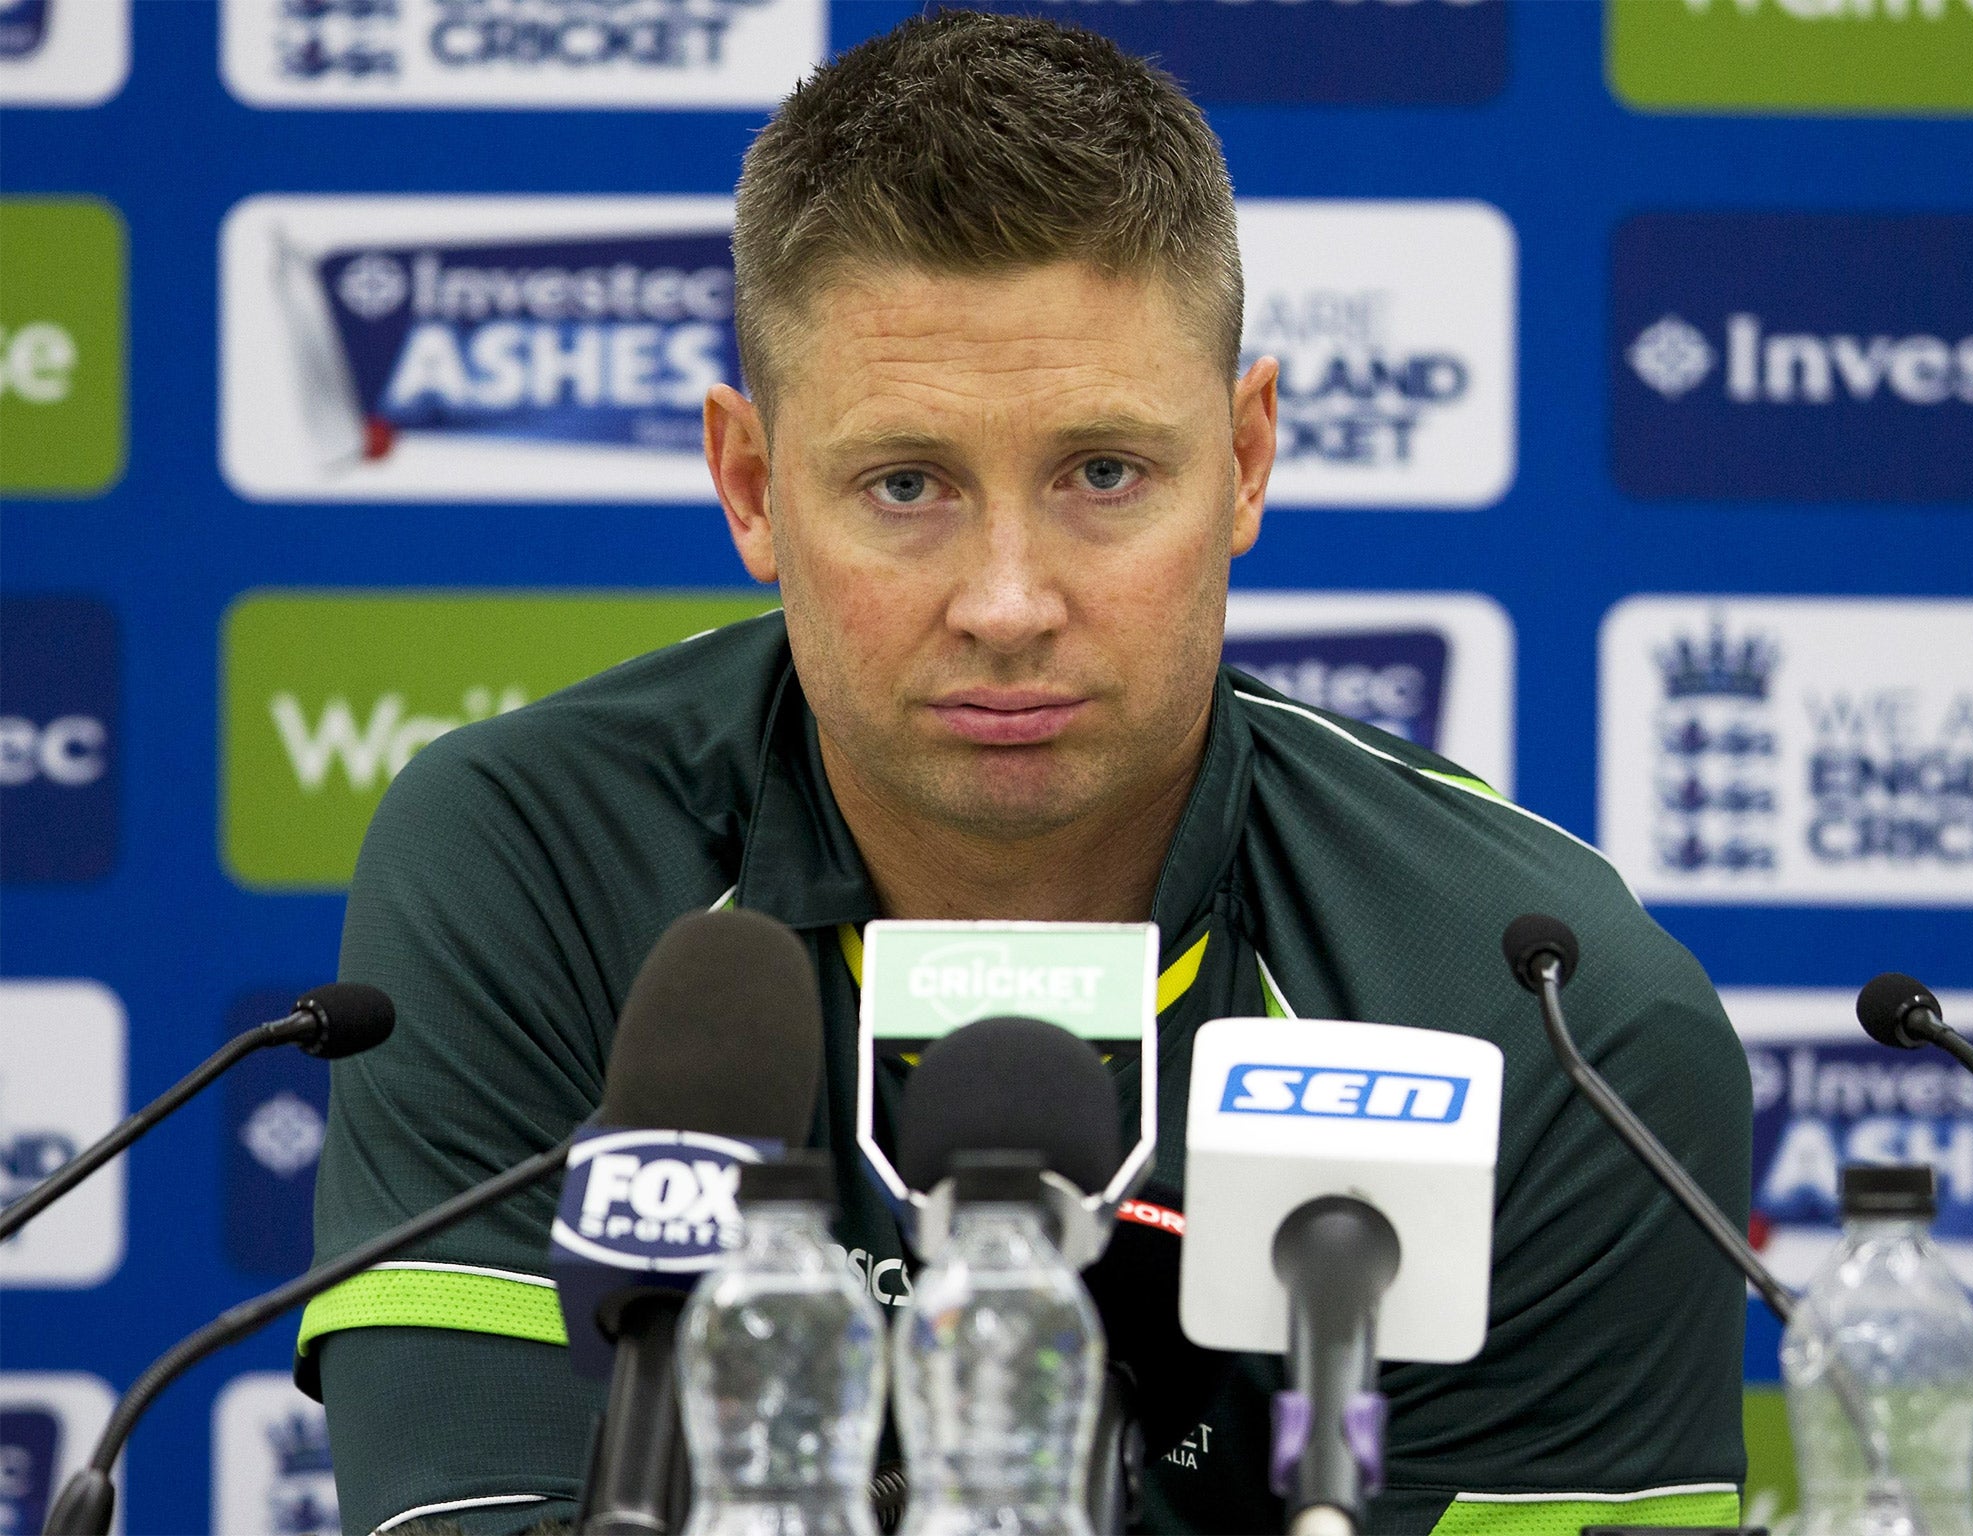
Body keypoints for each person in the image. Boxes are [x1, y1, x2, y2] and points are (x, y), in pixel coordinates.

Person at [302, 14, 1752, 1534]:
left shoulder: (1547, 1018)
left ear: (1247, 459)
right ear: (751, 484)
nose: (1006, 603)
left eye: (1102, 474)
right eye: (906, 484)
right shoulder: (532, 863)